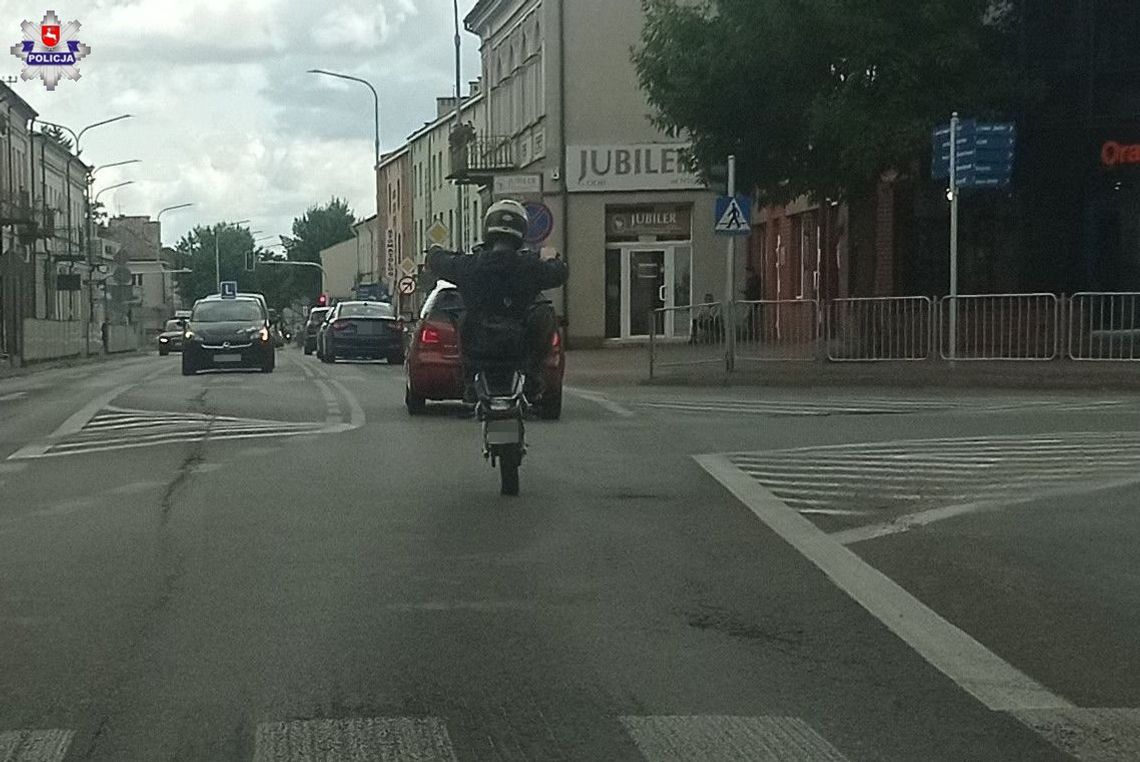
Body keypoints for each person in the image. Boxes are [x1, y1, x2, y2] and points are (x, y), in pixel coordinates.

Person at [425, 199, 568, 401]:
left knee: (460, 315)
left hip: (480, 349)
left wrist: (436, 251)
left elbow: (439, 262)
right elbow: (560, 273)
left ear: (488, 230)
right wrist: (550, 257)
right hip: (519, 350)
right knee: (545, 313)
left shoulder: (470, 266)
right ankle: (533, 379)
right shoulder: (530, 267)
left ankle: (469, 382)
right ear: (521, 231)